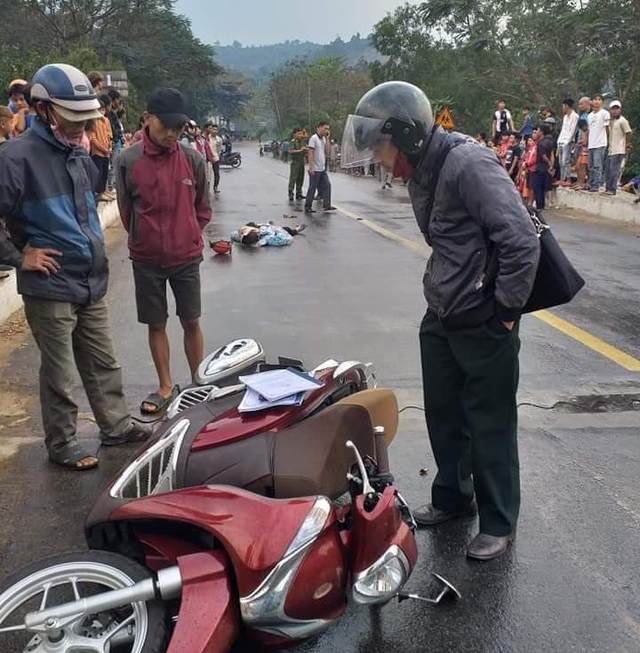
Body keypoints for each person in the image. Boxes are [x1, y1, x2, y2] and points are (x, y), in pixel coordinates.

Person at [342, 81, 539, 561]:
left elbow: (520, 241)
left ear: (407, 136)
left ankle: (498, 521)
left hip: (486, 316)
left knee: (489, 421)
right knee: (444, 413)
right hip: (445, 311)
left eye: (383, 149)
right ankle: (454, 497)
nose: (381, 161)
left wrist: (506, 313)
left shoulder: (468, 163)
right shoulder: (423, 169)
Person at [0, 63, 150, 470]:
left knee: (104, 362)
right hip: (49, 285)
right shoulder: (17, 157)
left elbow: (84, 214)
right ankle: (62, 441)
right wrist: (20, 256)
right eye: (72, 117)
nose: (80, 125)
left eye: (86, 117)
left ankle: (116, 426)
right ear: (44, 109)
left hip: (90, 280)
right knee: (60, 371)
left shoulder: (77, 152)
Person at [116, 87, 211, 415]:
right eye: (165, 126)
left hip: (186, 257)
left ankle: (200, 384)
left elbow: (203, 207)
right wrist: (146, 241)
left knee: (191, 320)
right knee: (155, 323)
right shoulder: (128, 160)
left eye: (179, 128)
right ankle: (165, 386)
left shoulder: (192, 158)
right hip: (147, 259)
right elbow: (127, 211)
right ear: (147, 119)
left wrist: (187, 236)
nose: (172, 134)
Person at [304, 121, 337, 214]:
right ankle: (308, 206)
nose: (327, 130)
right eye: (325, 128)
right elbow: (310, 153)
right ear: (319, 128)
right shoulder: (313, 138)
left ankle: (326, 205)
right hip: (315, 168)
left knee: (327, 185)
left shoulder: (323, 139)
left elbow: (327, 151)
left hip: (322, 168)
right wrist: (311, 167)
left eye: (328, 129)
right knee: (312, 187)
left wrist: (327, 139)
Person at [605, 101, 632, 195]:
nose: (615, 111)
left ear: (620, 110)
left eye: (617, 109)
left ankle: (612, 189)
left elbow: (628, 132)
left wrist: (627, 145)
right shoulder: (610, 122)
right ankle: (607, 188)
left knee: (614, 170)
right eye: (613, 109)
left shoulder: (622, 121)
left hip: (619, 149)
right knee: (608, 170)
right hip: (611, 149)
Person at [90, 94, 114, 202]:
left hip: (106, 152)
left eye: (102, 110)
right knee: (98, 173)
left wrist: (109, 146)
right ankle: (98, 193)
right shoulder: (92, 121)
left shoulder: (106, 121)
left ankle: (104, 191)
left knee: (105, 172)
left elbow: (110, 135)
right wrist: (103, 149)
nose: (101, 112)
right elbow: (93, 138)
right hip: (97, 152)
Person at [587, 94, 610, 192]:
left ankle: (596, 185)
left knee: (597, 165)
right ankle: (591, 183)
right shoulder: (590, 115)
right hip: (591, 143)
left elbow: (608, 129)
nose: (597, 101)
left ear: (602, 102)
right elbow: (588, 130)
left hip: (600, 143)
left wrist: (608, 141)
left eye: (599, 99)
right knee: (591, 165)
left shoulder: (605, 113)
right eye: (595, 99)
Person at [532, 123, 555, 209]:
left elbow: (543, 155)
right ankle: (542, 205)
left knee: (537, 186)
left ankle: (540, 205)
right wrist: (551, 166)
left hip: (540, 167)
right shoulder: (550, 141)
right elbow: (552, 154)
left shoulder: (541, 143)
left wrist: (549, 163)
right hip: (546, 168)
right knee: (543, 187)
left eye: (538, 131)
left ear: (541, 132)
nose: (536, 132)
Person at [231, 221, 307, 247]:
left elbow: (233, 234)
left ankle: (269, 224)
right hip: (274, 232)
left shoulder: (240, 236)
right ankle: (296, 230)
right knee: (286, 229)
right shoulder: (266, 238)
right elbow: (285, 239)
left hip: (262, 228)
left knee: (253, 224)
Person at [557, 99, 579, 186]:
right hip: (561, 140)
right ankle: (562, 178)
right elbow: (563, 129)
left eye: (563, 106)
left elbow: (573, 130)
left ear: (566, 106)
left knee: (565, 161)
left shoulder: (575, 116)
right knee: (560, 161)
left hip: (567, 141)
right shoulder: (565, 117)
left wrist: (569, 141)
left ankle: (568, 179)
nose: (562, 108)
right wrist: (559, 140)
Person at [288, 128, 306, 201]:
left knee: (301, 178)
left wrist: (306, 150)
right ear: (294, 134)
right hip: (295, 162)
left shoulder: (302, 142)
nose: (300, 135)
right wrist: (300, 150)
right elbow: (290, 151)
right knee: (293, 178)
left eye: (301, 133)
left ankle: (299, 192)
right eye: (298, 133)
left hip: (302, 162)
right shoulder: (293, 142)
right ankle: (290, 192)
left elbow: (304, 149)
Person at [573, 119, 589, 190]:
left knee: (583, 167)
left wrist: (581, 142)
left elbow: (585, 142)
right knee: (578, 166)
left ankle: (582, 183)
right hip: (582, 151)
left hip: (587, 151)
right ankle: (579, 182)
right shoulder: (584, 132)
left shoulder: (588, 131)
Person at [208, 124, 223, 193]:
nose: (214, 131)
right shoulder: (207, 138)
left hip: (216, 158)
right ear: (211, 130)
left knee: (216, 174)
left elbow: (219, 149)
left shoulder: (219, 140)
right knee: (207, 174)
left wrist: (217, 156)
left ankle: (215, 187)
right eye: (213, 129)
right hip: (207, 159)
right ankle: (206, 188)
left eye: (216, 130)